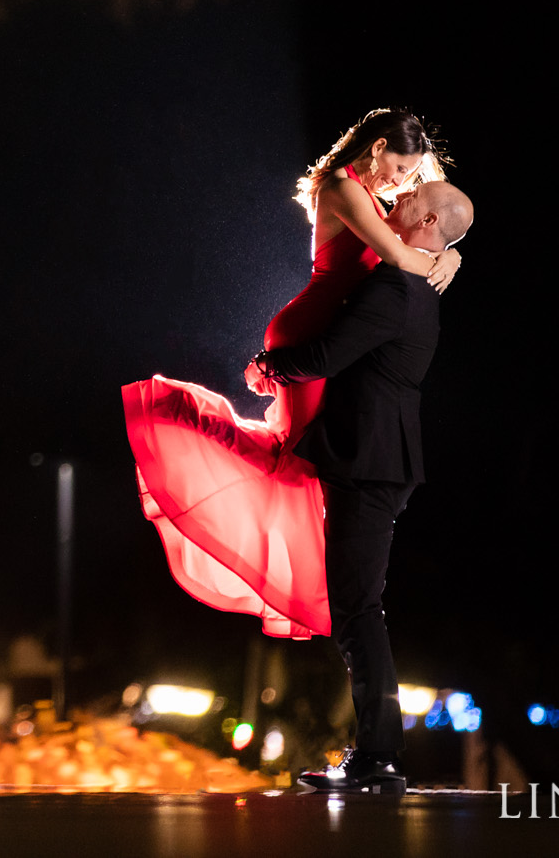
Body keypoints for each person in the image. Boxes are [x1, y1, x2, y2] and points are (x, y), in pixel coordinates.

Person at [120, 109, 461, 639]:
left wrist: (452, 253)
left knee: (303, 464)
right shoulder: (343, 187)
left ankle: (334, 592)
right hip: (308, 330)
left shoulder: (376, 196)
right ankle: (177, 412)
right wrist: (445, 259)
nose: (401, 183)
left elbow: (432, 224)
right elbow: (399, 252)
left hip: (326, 335)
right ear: (375, 148)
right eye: (397, 167)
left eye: (410, 177)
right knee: (292, 458)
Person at [249, 178, 475, 794]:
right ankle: (377, 752)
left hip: (369, 461)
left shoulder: (396, 286)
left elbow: (325, 357)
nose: (394, 202)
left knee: (356, 609)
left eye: (408, 201)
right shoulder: (419, 281)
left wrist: (267, 368)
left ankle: (377, 755)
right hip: (380, 457)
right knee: (358, 606)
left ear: (426, 221)